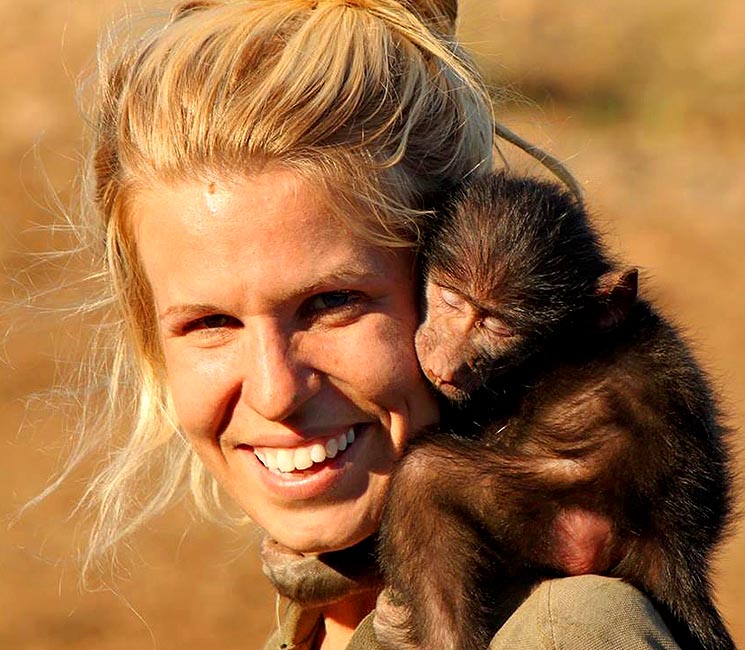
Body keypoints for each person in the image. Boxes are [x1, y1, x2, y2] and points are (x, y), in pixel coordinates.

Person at [65, 0, 682, 647]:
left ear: (451, 270)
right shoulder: (321, 627)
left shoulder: (566, 634)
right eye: (210, 322)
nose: (276, 392)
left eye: (332, 303)